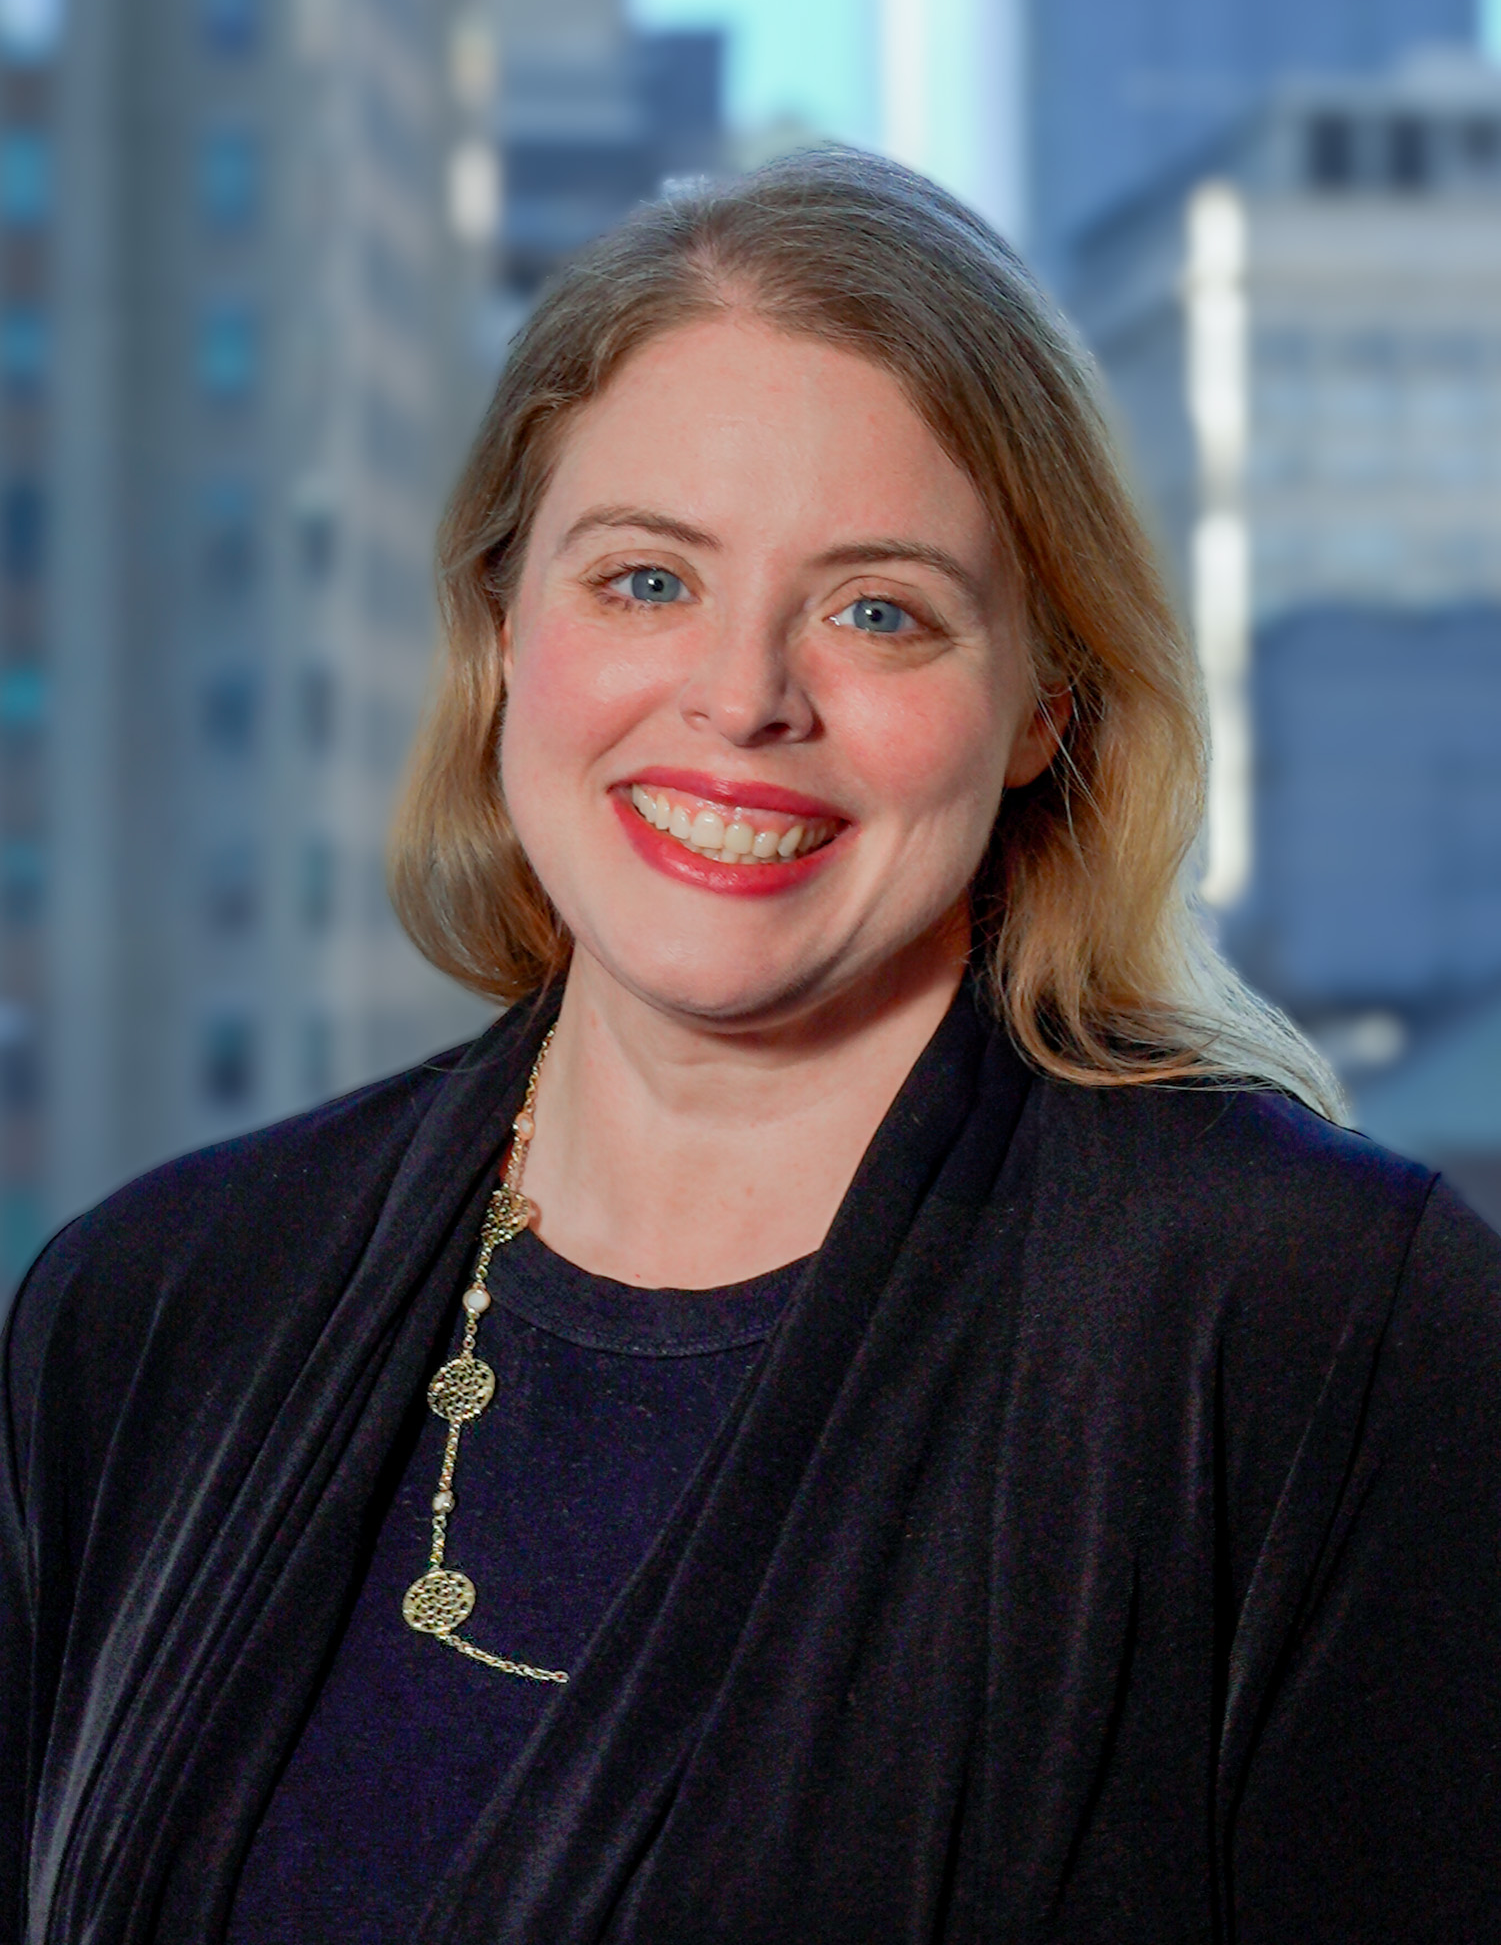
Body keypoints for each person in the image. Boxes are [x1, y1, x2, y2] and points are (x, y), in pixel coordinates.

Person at [3, 151, 1500, 1945]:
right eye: (643, 581)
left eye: (879, 610)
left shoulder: (1313, 1332)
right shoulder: (151, 1310)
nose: (741, 698)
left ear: (1046, 701)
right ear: (501, 632)